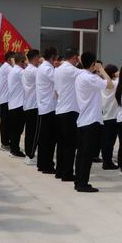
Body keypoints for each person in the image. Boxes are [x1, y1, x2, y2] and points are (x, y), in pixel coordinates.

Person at [74, 52, 114, 193]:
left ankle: (79, 181)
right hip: (91, 121)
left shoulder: (80, 75)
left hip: (82, 120)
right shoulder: (90, 78)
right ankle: (82, 184)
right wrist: (101, 69)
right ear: (93, 64)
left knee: (81, 154)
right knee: (87, 155)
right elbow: (110, 84)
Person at [53, 48, 82, 181]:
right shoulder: (70, 69)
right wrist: (83, 61)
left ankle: (60, 171)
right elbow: (86, 73)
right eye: (77, 58)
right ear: (75, 57)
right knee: (70, 144)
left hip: (60, 109)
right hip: (70, 110)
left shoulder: (58, 69)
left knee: (61, 143)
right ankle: (67, 173)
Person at [35, 47, 57, 174]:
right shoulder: (48, 69)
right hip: (49, 107)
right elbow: (58, 79)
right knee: (49, 139)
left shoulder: (42, 67)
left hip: (44, 106)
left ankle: (42, 164)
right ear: (53, 57)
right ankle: (47, 165)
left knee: (44, 138)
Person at [7, 52, 27, 158]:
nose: (25, 64)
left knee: (14, 129)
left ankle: (13, 149)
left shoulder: (13, 70)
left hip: (13, 103)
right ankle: (15, 150)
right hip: (18, 104)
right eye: (24, 61)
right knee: (17, 130)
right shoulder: (20, 71)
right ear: (21, 61)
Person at [22, 49, 40, 165]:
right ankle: (30, 155)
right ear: (35, 58)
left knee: (29, 132)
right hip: (34, 105)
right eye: (38, 58)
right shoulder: (34, 71)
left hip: (28, 104)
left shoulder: (26, 70)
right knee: (33, 133)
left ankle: (28, 153)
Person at [101, 64, 120, 170]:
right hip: (113, 116)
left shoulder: (102, 83)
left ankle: (106, 161)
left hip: (104, 115)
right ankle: (107, 163)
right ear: (113, 73)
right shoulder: (115, 83)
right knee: (110, 142)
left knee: (105, 141)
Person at [0, 51, 15, 152]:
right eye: (14, 58)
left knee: (7, 122)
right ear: (9, 59)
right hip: (6, 99)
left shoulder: (6, 67)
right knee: (5, 123)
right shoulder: (7, 67)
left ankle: (6, 142)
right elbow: (17, 72)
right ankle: (5, 143)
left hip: (7, 99)